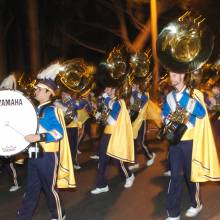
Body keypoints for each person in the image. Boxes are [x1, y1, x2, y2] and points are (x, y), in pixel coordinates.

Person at [162, 72, 220, 220]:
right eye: (171, 75)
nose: (171, 78)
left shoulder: (194, 94)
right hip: (175, 142)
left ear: (182, 75)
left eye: (174, 75)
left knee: (191, 176)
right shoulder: (169, 96)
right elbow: (165, 113)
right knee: (175, 176)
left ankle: (196, 204)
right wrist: (167, 120)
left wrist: (188, 102)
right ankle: (173, 213)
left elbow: (201, 114)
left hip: (190, 142)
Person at [17, 79, 75, 220]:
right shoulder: (34, 109)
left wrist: (38, 137)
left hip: (47, 156)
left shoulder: (51, 110)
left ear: (49, 93)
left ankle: (59, 215)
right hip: (34, 154)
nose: (35, 91)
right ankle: (23, 217)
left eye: (39, 89)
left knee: (49, 189)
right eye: (36, 89)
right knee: (31, 189)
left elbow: (59, 133)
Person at [90, 75, 135, 195]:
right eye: (105, 88)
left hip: (117, 134)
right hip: (107, 133)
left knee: (118, 161)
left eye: (108, 88)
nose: (105, 90)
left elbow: (112, 121)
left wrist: (104, 104)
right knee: (102, 159)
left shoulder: (119, 102)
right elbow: (102, 119)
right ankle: (102, 185)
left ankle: (129, 176)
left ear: (114, 89)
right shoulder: (107, 102)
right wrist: (95, 112)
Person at [128, 81, 156, 170]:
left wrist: (136, 92)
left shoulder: (144, 94)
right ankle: (134, 162)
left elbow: (141, 103)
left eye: (135, 84)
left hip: (142, 121)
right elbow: (131, 107)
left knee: (142, 142)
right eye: (132, 84)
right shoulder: (131, 94)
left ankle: (151, 156)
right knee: (133, 142)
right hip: (134, 122)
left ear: (138, 85)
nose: (133, 86)